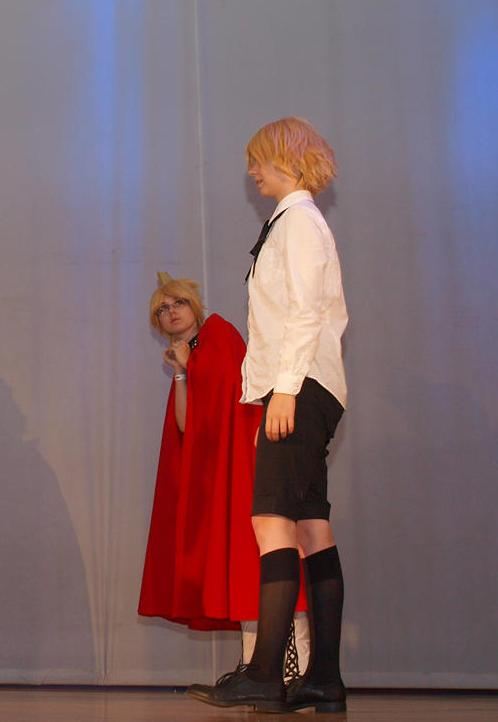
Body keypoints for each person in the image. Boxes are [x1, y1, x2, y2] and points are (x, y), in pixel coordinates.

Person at [186, 117, 348, 713]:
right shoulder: (295, 221)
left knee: (271, 523)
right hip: (307, 387)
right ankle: (323, 679)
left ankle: (264, 674)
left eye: (259, 160)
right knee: (310, 527)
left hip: (298, 388)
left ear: (287, 158)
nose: (252, 171)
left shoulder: (299, 222)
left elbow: (305, 313)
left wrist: (284, 390)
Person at [138, 273, 307, 672]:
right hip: (220, 475)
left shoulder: (219, 334)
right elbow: (186, 425)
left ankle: (288, 666)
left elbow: (236, 403)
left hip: (245, 468)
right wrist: (183, 371)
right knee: (240, 564)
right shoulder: (192, 354)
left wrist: (191, 366)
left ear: (194, 306)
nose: (171, 312)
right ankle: (258, 666)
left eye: (178, 303)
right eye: (162, 310)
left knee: (254, 557)